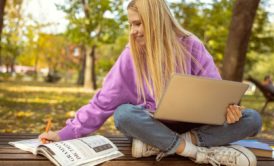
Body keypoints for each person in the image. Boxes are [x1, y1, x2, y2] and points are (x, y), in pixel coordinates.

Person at [39, 0, 262, 165]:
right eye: (131, 25)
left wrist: (229, 110)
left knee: (252, 119)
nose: (133, 31)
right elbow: (102, 103)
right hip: (151, 125)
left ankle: (167, 144)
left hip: (194, 126)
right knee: (124, 115)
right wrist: (63, 134)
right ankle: (195, 152)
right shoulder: (132, 55)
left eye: (138, 24)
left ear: (155, 21)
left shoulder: (191, 46)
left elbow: (216, 94)